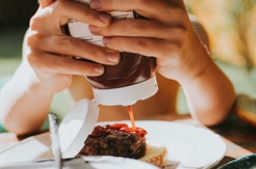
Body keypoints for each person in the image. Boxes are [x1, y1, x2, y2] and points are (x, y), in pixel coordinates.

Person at [0, 0, 236, 136]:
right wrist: (37, 80)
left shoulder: (178, 33)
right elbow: (15, 122)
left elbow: (216, 114)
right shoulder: (55, 39)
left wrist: (196, 67)